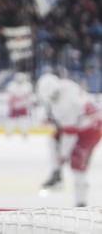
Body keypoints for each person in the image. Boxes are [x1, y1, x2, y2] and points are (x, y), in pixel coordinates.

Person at [36, 73, 101, 207]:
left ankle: (81, 203)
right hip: (86, 123)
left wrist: (62, 158)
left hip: (90, 131)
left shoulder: (62, 106)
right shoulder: (66, 84)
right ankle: (56, 174)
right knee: (53, 139)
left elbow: (70, 136)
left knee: (77, 163)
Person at [4, 72, 35, 138]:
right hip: (14, 106)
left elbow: (29, 96)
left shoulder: (27, 85)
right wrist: (12, 104)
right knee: (11, 119)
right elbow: (9, 96)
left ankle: (24, 132)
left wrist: (25, 103)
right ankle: (9, 131)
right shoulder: (11, 85)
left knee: (24, 119)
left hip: (23, 105)